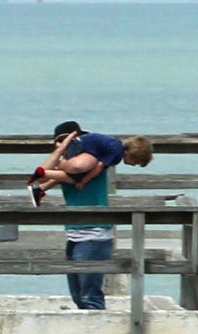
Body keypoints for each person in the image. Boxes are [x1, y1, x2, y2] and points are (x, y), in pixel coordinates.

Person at [26, 120, 154, 311]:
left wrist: (55, 166)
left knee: (90, 296)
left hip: (94, 235)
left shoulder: (90, 163)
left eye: (64, 142)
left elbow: (55, 173)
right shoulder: (69, 167)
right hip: (75, 233)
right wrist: (43, 186)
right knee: (79, 296)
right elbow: (48, 176)